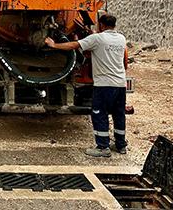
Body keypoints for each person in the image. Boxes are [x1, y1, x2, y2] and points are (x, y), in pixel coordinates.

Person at [45, 14, 128, 157]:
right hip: (120, 83)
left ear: (101, 25)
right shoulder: (121, 39)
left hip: (104, 85)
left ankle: (103, 147)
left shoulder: (97, 38)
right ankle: (121, 145)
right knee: (118, 114)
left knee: (99, 113)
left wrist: (54, 45)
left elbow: (73, 45)